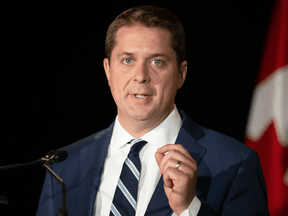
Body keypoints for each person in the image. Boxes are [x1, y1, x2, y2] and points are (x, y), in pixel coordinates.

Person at [36, 5, 269, 216]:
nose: (141, 76)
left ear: (181, 73)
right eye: (127, 60)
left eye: (157, 62)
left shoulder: (234, 162)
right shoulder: (63, 165)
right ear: (108, 70)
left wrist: (189, 209)